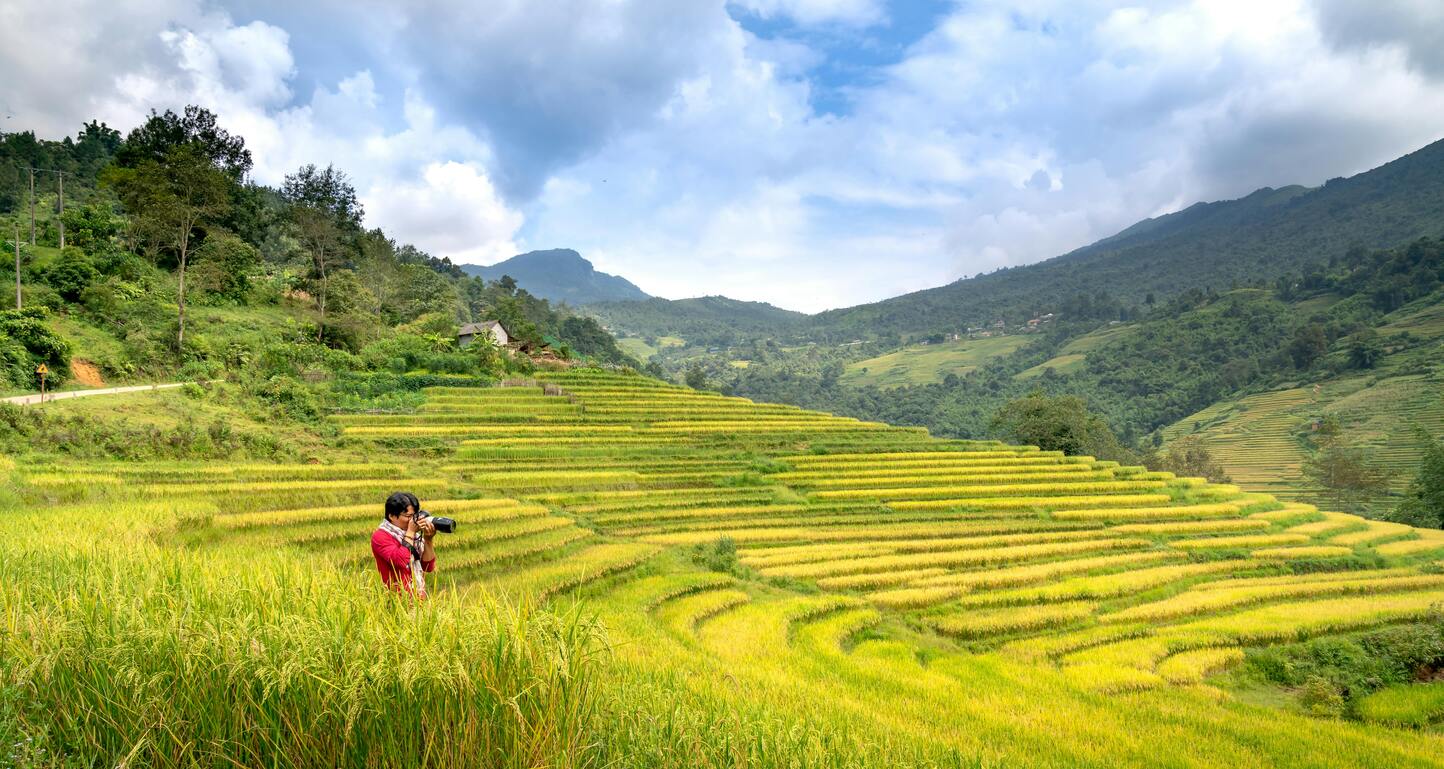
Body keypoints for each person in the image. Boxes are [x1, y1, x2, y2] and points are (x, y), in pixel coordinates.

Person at [372, 491, 438, 598]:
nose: (412, 520)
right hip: (397, 601)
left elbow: (428, 567)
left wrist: (428, 539)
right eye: (408, 516)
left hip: (418, 600)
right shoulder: (380, 536)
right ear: (392, 516)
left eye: (414, 516)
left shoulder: (414, 537)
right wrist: (411, 532)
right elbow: (400, 561)